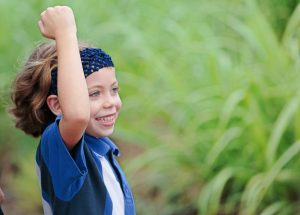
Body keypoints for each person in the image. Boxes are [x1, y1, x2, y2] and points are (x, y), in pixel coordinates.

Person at [10, 6, 135, 215]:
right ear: (58, 105)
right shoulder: (57, 147)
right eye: (94, 94)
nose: (110, 102)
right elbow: (77, 115)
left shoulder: (102, 150)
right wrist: (65, 32)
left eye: (113, 90)